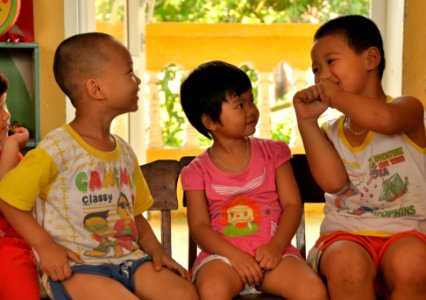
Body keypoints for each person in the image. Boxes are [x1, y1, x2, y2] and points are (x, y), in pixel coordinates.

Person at [0, 32, 198, 300]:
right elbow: (8, 198)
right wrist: (45, 247)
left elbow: (135, 215)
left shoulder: (125, 152)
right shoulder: (55, 148)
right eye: (129, 72)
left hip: (131, 261)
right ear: (96, 89)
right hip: (78, 269)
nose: (137, 81)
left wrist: (158, 252)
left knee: (183, 293)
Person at [293, 15, 426, 300]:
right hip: (346, 235)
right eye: (316, 69)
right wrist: (306, 122)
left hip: (407, 232)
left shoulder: (408, 109)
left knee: (414, 265)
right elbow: (333, 182)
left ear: (371, 59)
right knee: (347, 267)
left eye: (330, 61)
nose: (321, 75)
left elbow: (384, 119)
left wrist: (335, 95)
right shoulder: (331, 132)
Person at [180, 60, 327, 300]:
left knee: (312, 290)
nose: (251, 110)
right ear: (210, 122)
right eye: (240, 104)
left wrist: (276, 246)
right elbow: (199, 227)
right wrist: (235, 257)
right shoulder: (196, 171)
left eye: (251, 100)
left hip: (274, 252)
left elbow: (292, 204)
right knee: (212, 290)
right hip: (223, 258)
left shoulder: (274, 153)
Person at [0, 71, 39, 299]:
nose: (7, 116)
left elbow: (5, 198)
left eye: (6, 104)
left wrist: (12, 147)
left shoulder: (12, 155)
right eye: (0, 107)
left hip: (12, 247)